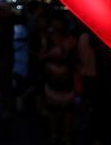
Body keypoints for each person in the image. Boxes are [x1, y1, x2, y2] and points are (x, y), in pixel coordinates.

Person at [40, 13, 77, 145]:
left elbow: (73, 58)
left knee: (65, 109)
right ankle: (58, 134)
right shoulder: (50, 39)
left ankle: (62, 134)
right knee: (57, 109)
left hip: (61, 76)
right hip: (56, 76)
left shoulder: (66, 40)